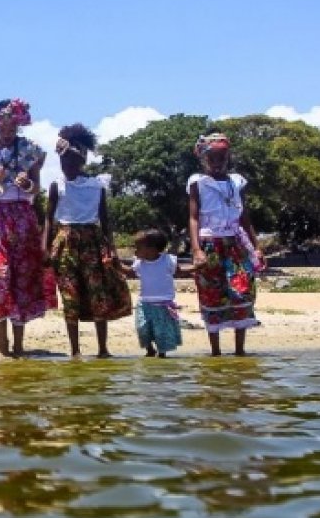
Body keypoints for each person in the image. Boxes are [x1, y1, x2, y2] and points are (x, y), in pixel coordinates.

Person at [0, 99, 56, 357]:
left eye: (11, 123)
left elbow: (36, 189)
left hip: (22, 215)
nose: (6, 128)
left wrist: (26, 183)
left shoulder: (30, 150)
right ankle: (2, 342)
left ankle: (18, 344)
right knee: (1, 274)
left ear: (18, 123)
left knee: (22, 276)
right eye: (2, 122)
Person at [42, 123, 131, 357]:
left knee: (97, 293)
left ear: (82, 161)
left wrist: (111, 250)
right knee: (70, 296)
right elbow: (48, 219)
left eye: (72, 162)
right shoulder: (56, 186)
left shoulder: (96, 186)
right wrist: (45, 248)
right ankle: (75, 351)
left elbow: (106, 221)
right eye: (63, 162)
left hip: (93, 242)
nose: (67, 166)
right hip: (64, 242)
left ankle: (103, 348)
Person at [187, 132, 263, 356]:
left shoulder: (237, 182)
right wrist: (196, 249)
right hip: (210, 244)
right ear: (204, 159)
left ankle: (240, 351)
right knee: (211, 293)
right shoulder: (197, 183)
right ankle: (216, 351)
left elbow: (244, 217)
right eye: (212, 158)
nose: (218, 162)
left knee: (242, 291)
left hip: (236, 244)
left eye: (222, 157)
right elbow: (193, 217)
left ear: (228, 157)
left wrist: (256, 246)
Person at [121, 229, 192, 357]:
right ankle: (149, 349)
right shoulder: (139, 263)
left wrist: (197, 267)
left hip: (163, 305)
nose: (135, 251)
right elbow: (130, 273)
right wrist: (116, 264)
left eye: (138, 248)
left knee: (161, 333)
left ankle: (162, 354)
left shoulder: (167, 260)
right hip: (144, 303)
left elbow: (179, 272)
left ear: (152, 249)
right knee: (142, 328)